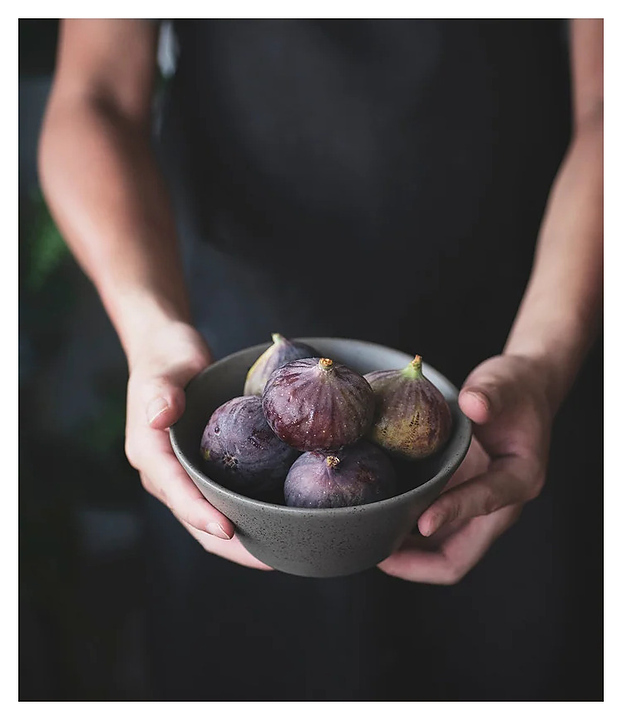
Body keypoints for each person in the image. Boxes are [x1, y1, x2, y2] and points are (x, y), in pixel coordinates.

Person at [38, 19, 603, 700]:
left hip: (509, 365)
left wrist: (544, 358)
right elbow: (93, 97)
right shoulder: (241, 411)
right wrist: (152, 329)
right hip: (231, 358)